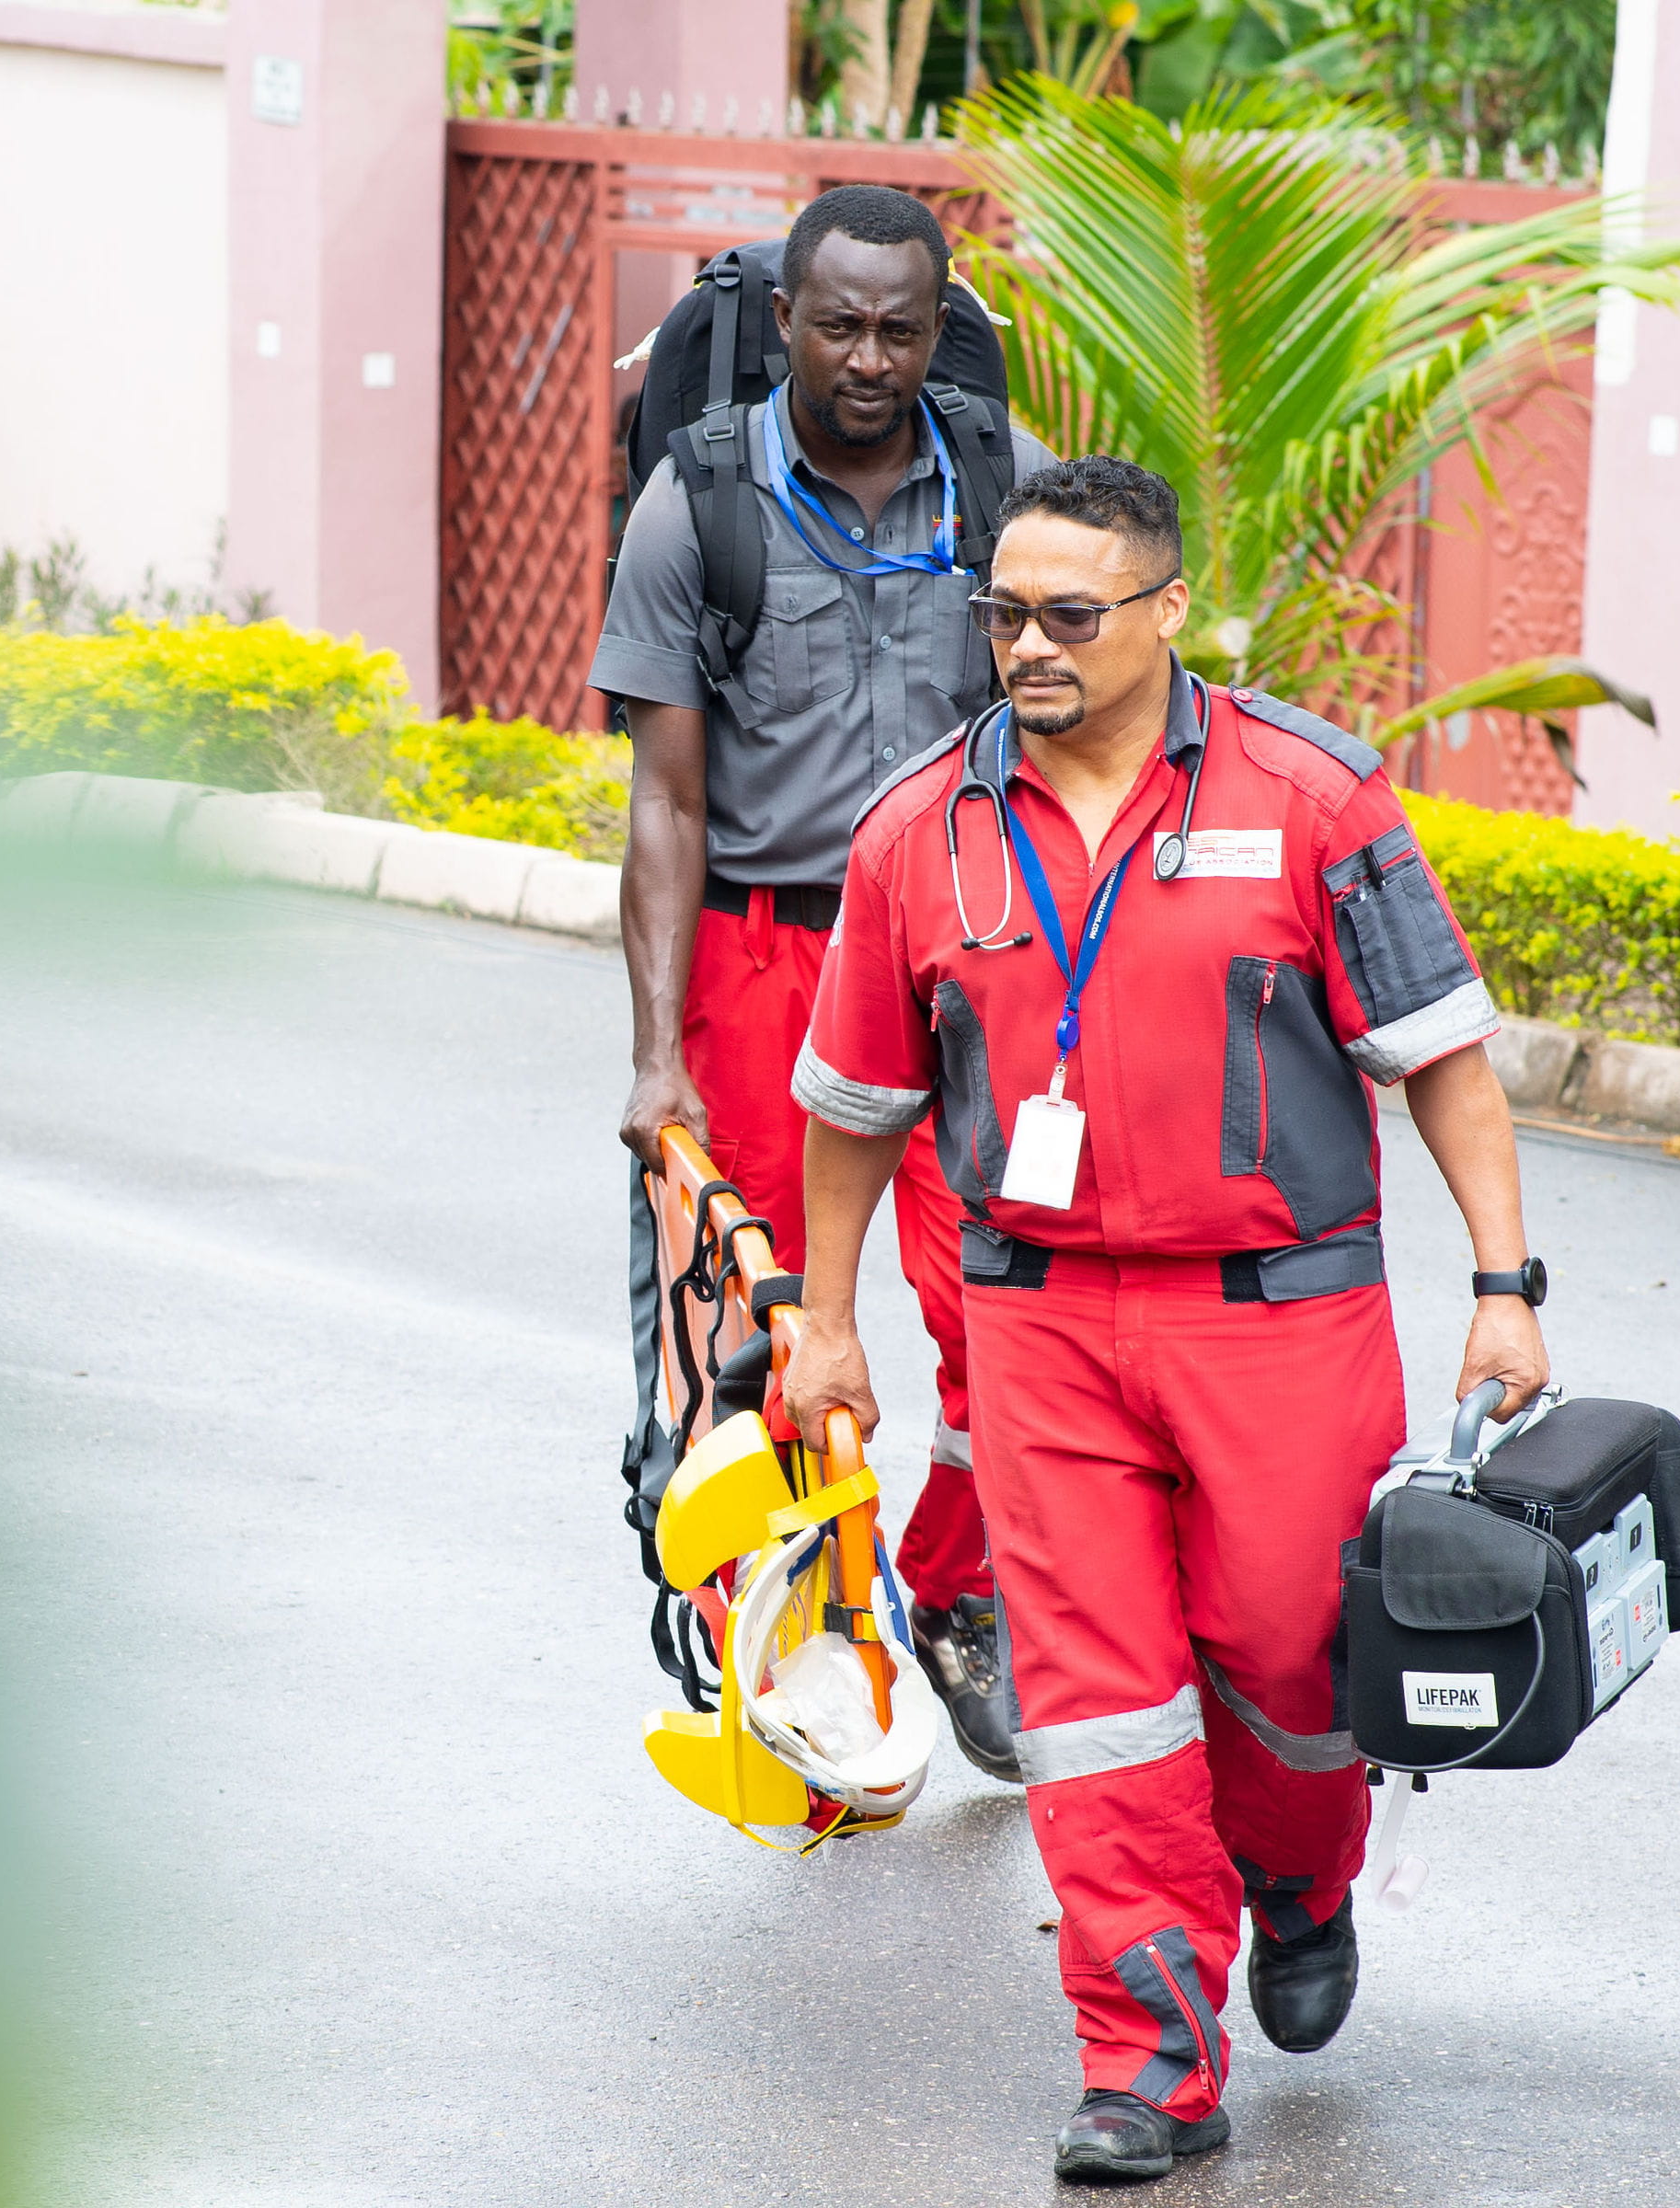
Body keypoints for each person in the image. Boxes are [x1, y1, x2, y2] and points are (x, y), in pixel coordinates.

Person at [777, 455, 1550, 2184]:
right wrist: (823, 1318)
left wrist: (1503, 1284)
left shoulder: (1313, 799)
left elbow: (1440, 1059)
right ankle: (1151, 2058)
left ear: (1166, 610)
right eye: (1003, 613)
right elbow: (853, 1105)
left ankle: (1299, 1874)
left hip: (1282, 1319)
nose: (1028, 646)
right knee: (1098, 1700)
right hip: (1041, 1325)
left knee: (1287, 1657)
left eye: (1068, 614)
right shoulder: (925, 826)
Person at [592, 184, 1039, 1777]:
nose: (867, 355)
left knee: (1011, 1311)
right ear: (784, 319)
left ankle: (956, 1597)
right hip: (764, 959)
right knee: (765, 1322)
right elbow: (664, 799)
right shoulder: (694, 508)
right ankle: (785, 1635)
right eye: (836, 322)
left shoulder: (1005, 494)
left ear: (938, 332)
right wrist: (660, 1061)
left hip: (969, 964)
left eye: (899, 328)